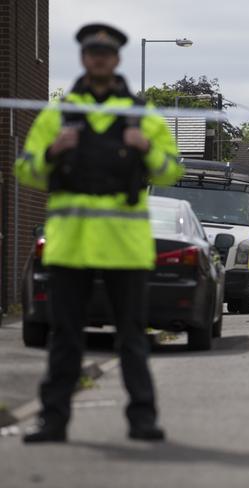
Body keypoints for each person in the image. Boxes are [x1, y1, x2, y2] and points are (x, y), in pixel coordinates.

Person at [15, 23, 183, 443]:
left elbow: (173, 169)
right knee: (65, 338)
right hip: (70, 245)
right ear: (84, 58)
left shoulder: (141, 116)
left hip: (124, 249)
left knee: (132, 338)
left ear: (116, 60)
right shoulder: (59, 114)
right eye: (92, 52)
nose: (99, 59)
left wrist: (146, 148)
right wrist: (54, 151)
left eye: (106, 54)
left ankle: (142, 420)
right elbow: (25, 168)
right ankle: (53, 421)